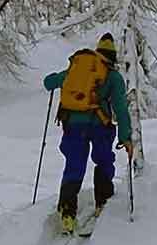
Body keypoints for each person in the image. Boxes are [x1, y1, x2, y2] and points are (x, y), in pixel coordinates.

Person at [41, 33, 137, 230]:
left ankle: (67, 211)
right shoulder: (112, 76)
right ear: (113, 56)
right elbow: (120, 108)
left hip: (73, 125)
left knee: (74, 164)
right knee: (103, 160)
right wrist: (125, 137)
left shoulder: (78, 68)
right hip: (99, 125)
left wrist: (54, 79)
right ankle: (103, 202)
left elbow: (49, 82)